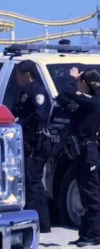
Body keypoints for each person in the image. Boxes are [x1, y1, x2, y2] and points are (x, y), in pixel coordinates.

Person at [63, 68, 100, 247]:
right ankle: (85, 234)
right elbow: (64, 98)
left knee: (91, 196)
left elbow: (69, 93)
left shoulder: (92, 102)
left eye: (80, 81)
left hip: (89, 153)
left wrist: (72, 80)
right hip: (82, 152)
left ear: (84, 83)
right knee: (84, 195)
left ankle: (96, 235)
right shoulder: (86, 102)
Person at [13, 60, 52, 233]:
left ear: (27, 75)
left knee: (32, 182)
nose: (16, 78)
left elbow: (38, 115)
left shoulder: (37, 92)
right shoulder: (25, 92)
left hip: (37, 144)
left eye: (19, 75)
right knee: (32, 182)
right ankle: (41, 223)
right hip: (28, 143)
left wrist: (20, 122)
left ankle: (37, 222)